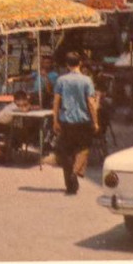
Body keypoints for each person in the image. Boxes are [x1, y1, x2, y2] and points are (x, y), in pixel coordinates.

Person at [52, 51, 100, 196]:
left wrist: (55, 120)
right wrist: (95, 121)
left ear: (67, 65)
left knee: (66, 152)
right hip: (83, 120)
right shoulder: (87, 80)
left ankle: (70, 186)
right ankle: (76, 171)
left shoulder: (61, 80)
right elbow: (91, 103)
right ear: (80, 63)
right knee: (84, 147)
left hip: (66, 120)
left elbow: (56, 101)